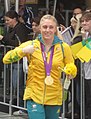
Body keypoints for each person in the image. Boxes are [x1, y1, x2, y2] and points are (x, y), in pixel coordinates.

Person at [3, 14, 77, 119]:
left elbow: (71, 65)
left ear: (55, 29)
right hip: (34, 94)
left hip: (54, 95)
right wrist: (22, 51)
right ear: (40, 28)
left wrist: (71, 71)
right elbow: (6, 59)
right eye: (45, 27)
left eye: (51, 27)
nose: (48, 30)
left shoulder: (64, 47)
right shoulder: (32, 44)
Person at [0, 10, 30, 115]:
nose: (6, 22)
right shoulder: (12, 29)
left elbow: (19, 44)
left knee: (19, 85)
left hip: (19, 61)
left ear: (14, 19)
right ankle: (20, 105)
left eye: (8, 20)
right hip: (14, 60)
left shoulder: (20, 28)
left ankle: (23, 107)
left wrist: (3, 38)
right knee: (15, 85)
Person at [80, 10, 91, 119]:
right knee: (88, 100)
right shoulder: (86, 35)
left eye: (87, 21)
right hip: (87, 72)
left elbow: (84, 54)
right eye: (82, 21)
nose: (84, 23)